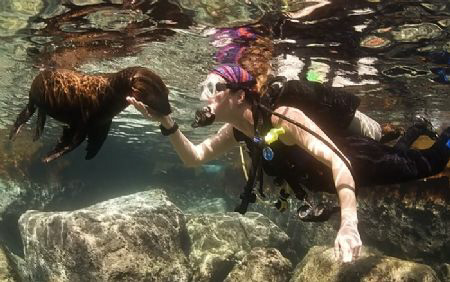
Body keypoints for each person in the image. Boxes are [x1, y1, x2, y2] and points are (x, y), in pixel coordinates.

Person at [127, 64, 450, 263]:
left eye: (213, 88)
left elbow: (339, 162)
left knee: (428, 164)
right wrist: (167, 122)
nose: (204, 96)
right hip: (330, 178)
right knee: (404, 158)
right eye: (204, 88)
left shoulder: (285, 117)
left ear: (240, 95)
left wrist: (349, 224)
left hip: (358, 161)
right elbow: (194, 158)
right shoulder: (236, 130)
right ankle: (417, 128)